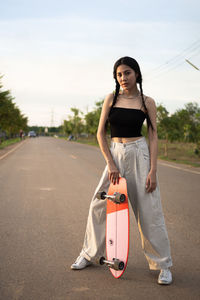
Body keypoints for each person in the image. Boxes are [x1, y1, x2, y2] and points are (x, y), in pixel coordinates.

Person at [71, 56, 173, 285]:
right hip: (115, 154)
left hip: (140, 154)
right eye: (118, 74)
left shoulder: (147, 102)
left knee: (149, 211)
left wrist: (153, 170)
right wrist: (110, 162)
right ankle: (89, 254)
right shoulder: (111, 99)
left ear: (136, 73)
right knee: (99, 204)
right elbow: (100, 133)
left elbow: (153, 136)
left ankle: (163, 265)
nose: (123, 78)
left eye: (127, 72)